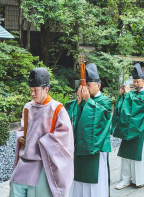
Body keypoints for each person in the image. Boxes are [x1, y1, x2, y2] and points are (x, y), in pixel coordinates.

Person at [10, 67, 74, 197]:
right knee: (15, 189)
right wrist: (21, 137)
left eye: (36, 90)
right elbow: (22, 130)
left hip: (44, 162)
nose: (33, 94)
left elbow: (65, 139)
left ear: (46, 89)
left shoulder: (57, 109)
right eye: (31, 90)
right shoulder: (28, 107)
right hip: (25, 160)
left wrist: (43, 142)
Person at [66, 63, 112, 197]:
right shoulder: (85, 99)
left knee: (96, 181)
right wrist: (80, 102)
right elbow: (73, 118)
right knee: (79, 180)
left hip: (97, 147)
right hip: (81, 146)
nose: (86, 88)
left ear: (98, 85)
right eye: (84, 85)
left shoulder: (105, 100)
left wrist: (88, 101)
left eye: (89, 85)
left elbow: (102, 118)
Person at [112, 63, 144, 189]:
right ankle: (125, 179)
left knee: (139, 155)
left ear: (143, 81)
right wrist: (122, 95)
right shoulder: (132, 93)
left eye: (138, 81)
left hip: (139, 129)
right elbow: (121, 108)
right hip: (127, 129)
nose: (135, 84)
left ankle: (140, 179)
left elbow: (138, 107)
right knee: (125, 155)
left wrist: (128, 95)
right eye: (134, 81)